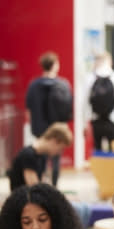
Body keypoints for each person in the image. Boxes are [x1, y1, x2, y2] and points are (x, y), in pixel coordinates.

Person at [24, 51, 73, 186]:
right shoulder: (63, 84)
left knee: (40, 158)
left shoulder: (33, 85)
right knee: (56, 159)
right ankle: (54, 186)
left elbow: (28, 111)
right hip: (57, 129)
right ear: (55, 65)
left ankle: (40, 184)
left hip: (40, 128)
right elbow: (68, 108)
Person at [84, 51, 114, 151]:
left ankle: (98, 167)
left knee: (97, 152)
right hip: (113, 122)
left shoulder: (90, 78)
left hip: (96, 121)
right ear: (110, 61)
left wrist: (85, 124)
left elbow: (84, 103)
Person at [6, 122, 72, 191]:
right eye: (60, 148)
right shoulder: (28, 155)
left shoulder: (42, 155)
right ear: (54, 141)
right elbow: (34, 188)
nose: (59, 152)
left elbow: (42, 184)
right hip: (23, 199)